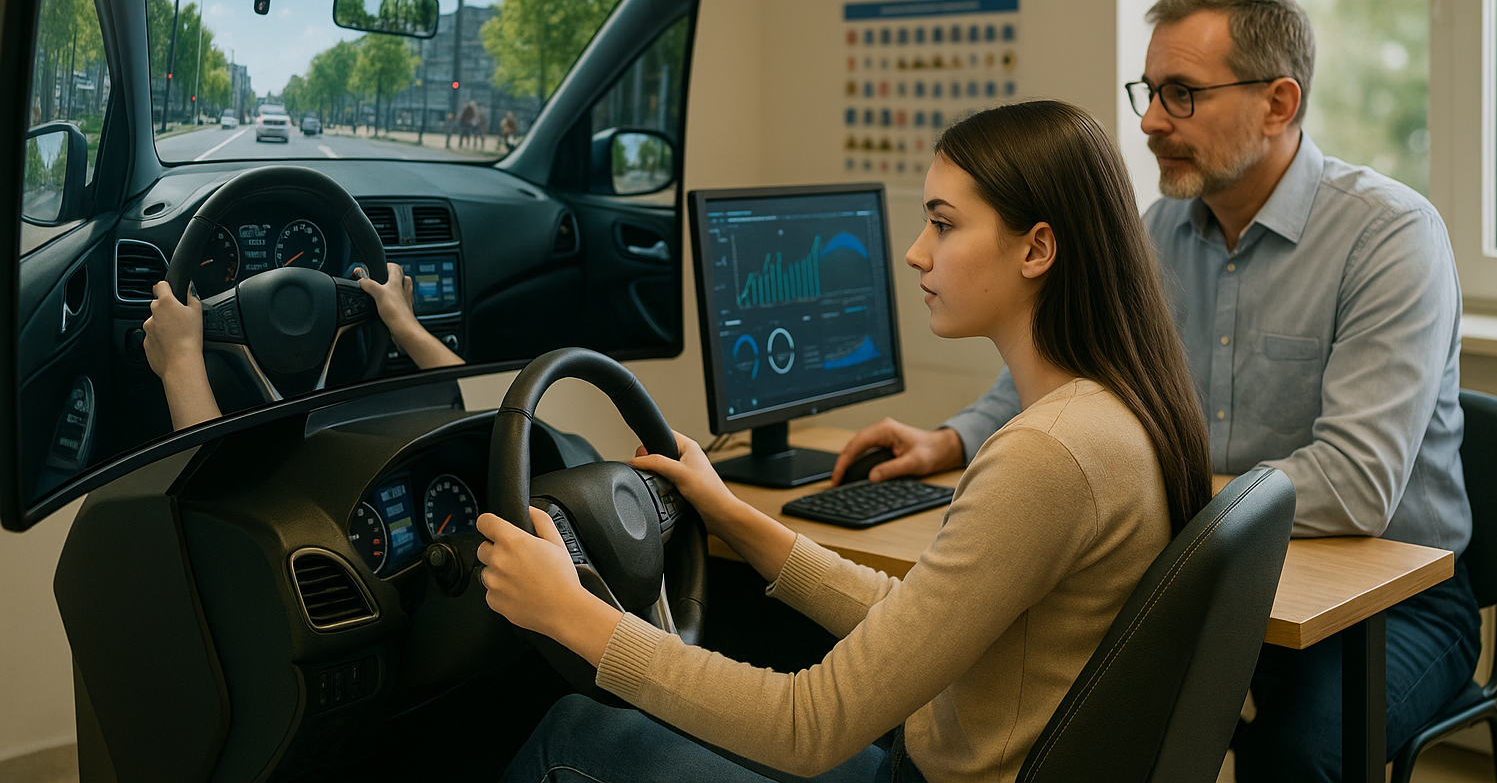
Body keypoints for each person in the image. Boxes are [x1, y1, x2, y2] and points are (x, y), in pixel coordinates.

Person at [836, 0, 1479, 782]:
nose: (1147, 122)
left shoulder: (1389, 238)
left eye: (1182, 95)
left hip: (1389, 603)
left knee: (1299, 755)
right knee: (1038, 695)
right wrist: (952, 437)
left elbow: (1355, 484)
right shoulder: (1162, 227)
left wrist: (1140, 501)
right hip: (1206, 576)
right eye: (1149, 92)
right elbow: (1072, 358)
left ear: (1279, 103)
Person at [476, 100, 1213, 783]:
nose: (917, 253)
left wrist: (571, 615)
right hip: (947, 759)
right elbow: (918, 617)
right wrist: (730, 513)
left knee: (577, 734)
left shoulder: (1047, 453)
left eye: (945, 225)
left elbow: (810, 725)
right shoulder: (1117, 409)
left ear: (1037, 249)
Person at [142, 262, 462, 431]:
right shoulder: (513, 428)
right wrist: (406, 327)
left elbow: (214, 491)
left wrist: (179, 360)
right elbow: (485, 409)